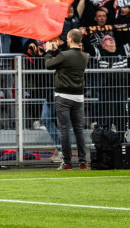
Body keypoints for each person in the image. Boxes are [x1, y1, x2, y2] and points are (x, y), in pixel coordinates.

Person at [45, 29, 89, 170]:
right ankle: (83, 161)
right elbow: (66, 60)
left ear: (69, 38)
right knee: (78, 130)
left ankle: (68, 162)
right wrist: (58, 51)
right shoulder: (84, 56)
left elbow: (49, 65)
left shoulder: (64, 55)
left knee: (64, 130)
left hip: (63, 96)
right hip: (78, 96)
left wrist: (48, 51)